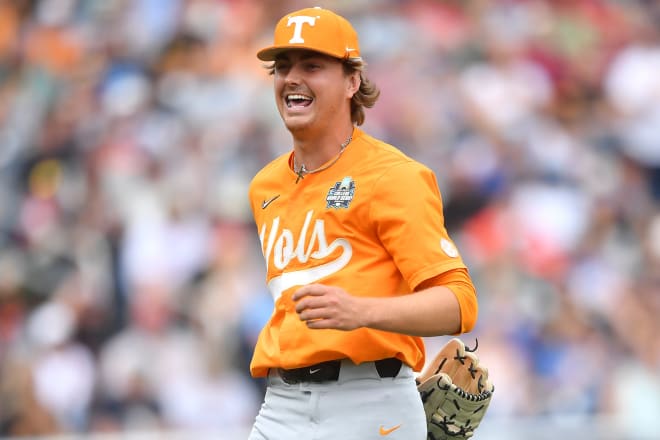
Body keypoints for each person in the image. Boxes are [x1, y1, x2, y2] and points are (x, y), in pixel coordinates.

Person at [247, 7, 478, 439]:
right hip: (280, 403)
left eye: (312, 65)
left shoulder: (395, 176)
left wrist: (361, 312)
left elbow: (460, 303)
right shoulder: (265, 185)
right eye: (282, 67)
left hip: (370, 403)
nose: (292, 78)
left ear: (352, 81)